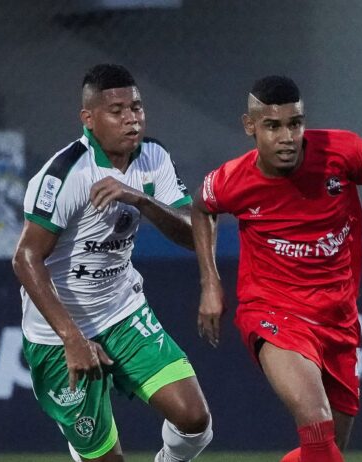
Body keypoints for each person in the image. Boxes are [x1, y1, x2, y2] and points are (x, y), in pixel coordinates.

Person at [191, 75, 362, 462]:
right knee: (315, 421)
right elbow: (201, 208)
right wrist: (211, 283)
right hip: (273, 311)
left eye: (295, 123)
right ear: (250, 126)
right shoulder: (232, 180)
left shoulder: (344, 151)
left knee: (327, 452)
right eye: (273, 126)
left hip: (339, 317)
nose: (287, 137)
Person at [12, 64, 212, 462]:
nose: (131, 119)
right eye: (117, 111)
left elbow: (195, 233)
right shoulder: (66, 174)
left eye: (136, 107)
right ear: (88, 119)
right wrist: (72, 338)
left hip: (122, 312)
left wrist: (140, 199)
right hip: (57, 334)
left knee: (195, 420)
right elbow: (26, 257)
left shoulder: (153, 157)